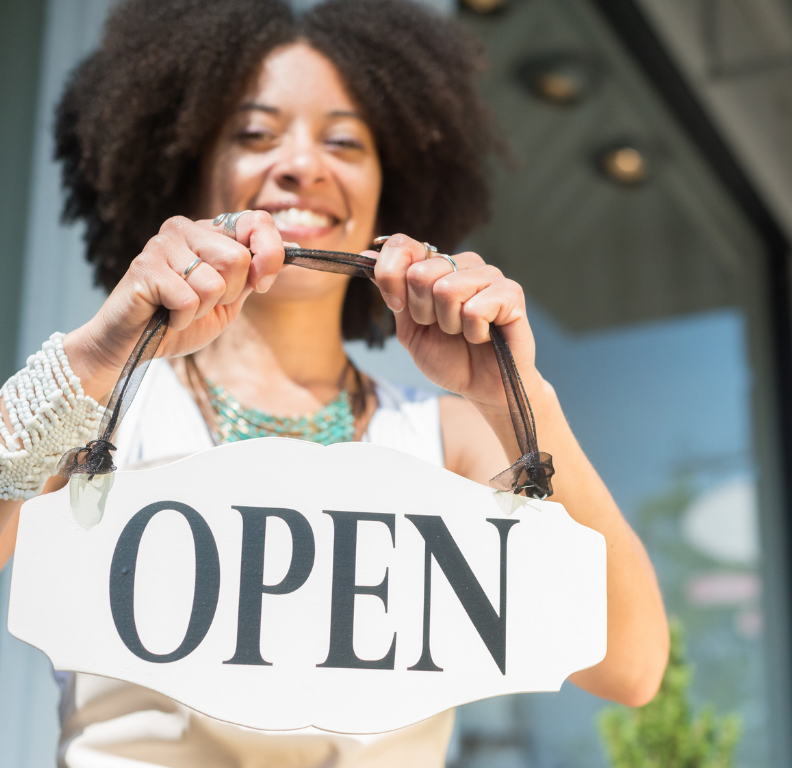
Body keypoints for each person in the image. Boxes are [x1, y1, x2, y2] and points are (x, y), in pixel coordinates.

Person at [0, 0, 669, 765]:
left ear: (392, 192)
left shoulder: (449, 438)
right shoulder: (102, 411)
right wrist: (94, 357)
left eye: (345, 142)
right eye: (255, 134)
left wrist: (517, 402)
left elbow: (632, 665)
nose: (302, 166)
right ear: (191, 170)